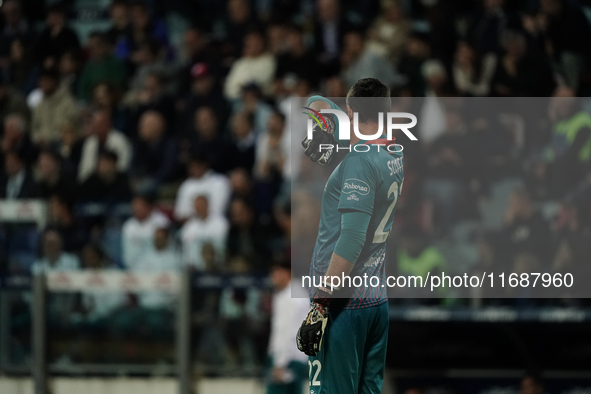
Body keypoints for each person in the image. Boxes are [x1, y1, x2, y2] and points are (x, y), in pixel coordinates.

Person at [296, 79, 403, 394]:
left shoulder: (359, 162)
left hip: (343, 304)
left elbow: (352, 240)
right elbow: (316, 101)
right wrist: (326, 128)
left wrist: (321, 304)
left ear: (350, 111)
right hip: (375, 300)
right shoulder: (393, 151)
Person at [267, 260, 309, 394]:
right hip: (294, 357)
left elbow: (289, 332)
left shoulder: (291, 298)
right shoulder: (293, 294)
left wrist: (280, 363)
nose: (272, 277)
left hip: (288, 359)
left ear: (286, 273)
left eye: (275, 273)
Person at [78, 109, 131, 182]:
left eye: (99, 125)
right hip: (93, 184)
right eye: (95, 125)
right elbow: (84, 169)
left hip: (114, 183)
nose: (96, 128)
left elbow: (123, 167)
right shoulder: (89, 142)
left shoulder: (120, 142)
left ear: (107, 124)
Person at [174, 154, 231, 221]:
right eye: (191, 167)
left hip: (215, 224)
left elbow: (218, 210)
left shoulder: (220, 182)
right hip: (189, 226)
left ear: (204, 165)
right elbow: (179, 213)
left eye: (196, 166)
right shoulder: (186, 185)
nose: (192, 169)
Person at [122, 194, 170, 269]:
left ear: (149, 207)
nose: (137, 208)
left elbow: (163, 249)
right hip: (136, 267)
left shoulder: (161, 221)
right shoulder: (128, 226)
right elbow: (128, 254)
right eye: (135, 206)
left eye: (140, 205)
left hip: (159, 266)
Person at [181, 195, 229, 270]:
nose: (199, 208)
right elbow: (186, 249)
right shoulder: (189, 226)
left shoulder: (220, 223)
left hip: (217, 267)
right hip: (195, 269)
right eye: (196, 206)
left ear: (207, 205)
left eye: (201, 205)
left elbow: (222, 245)